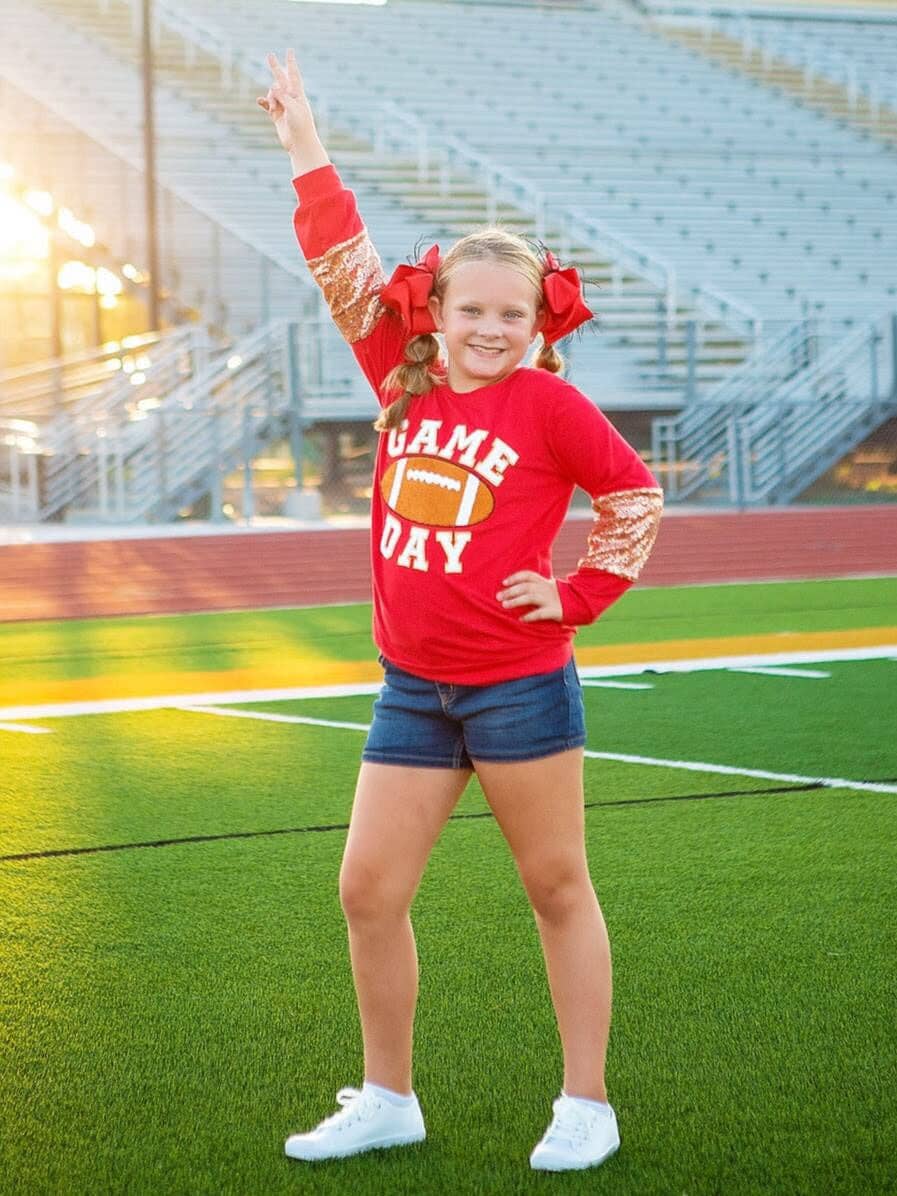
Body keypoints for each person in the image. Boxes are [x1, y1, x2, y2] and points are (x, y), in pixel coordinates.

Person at [258, 49, 663, 1174]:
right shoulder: (402, 375)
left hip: (521, 683)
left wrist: (576, 593)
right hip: (412, 689)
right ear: (433, 309)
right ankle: (390, 1094)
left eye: (512, 313)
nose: (489, 327)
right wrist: (303, 140)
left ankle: (586, 1099)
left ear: (539, 320)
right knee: (367, 888)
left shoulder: (551, 403)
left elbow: (634, 494)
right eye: (470, 308)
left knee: (554, 883)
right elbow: (341, 259)